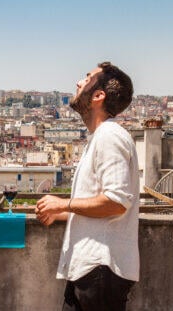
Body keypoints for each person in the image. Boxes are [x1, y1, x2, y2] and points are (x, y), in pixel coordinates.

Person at [36, 62, 139, 311]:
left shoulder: (109, 135)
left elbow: (116, 202)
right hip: (93, 270)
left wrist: (63, 203)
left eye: (86, 78)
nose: (78, 83)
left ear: (98, 95)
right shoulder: (99, 138)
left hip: (100, 270)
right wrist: (62, 213)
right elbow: (99, 204)